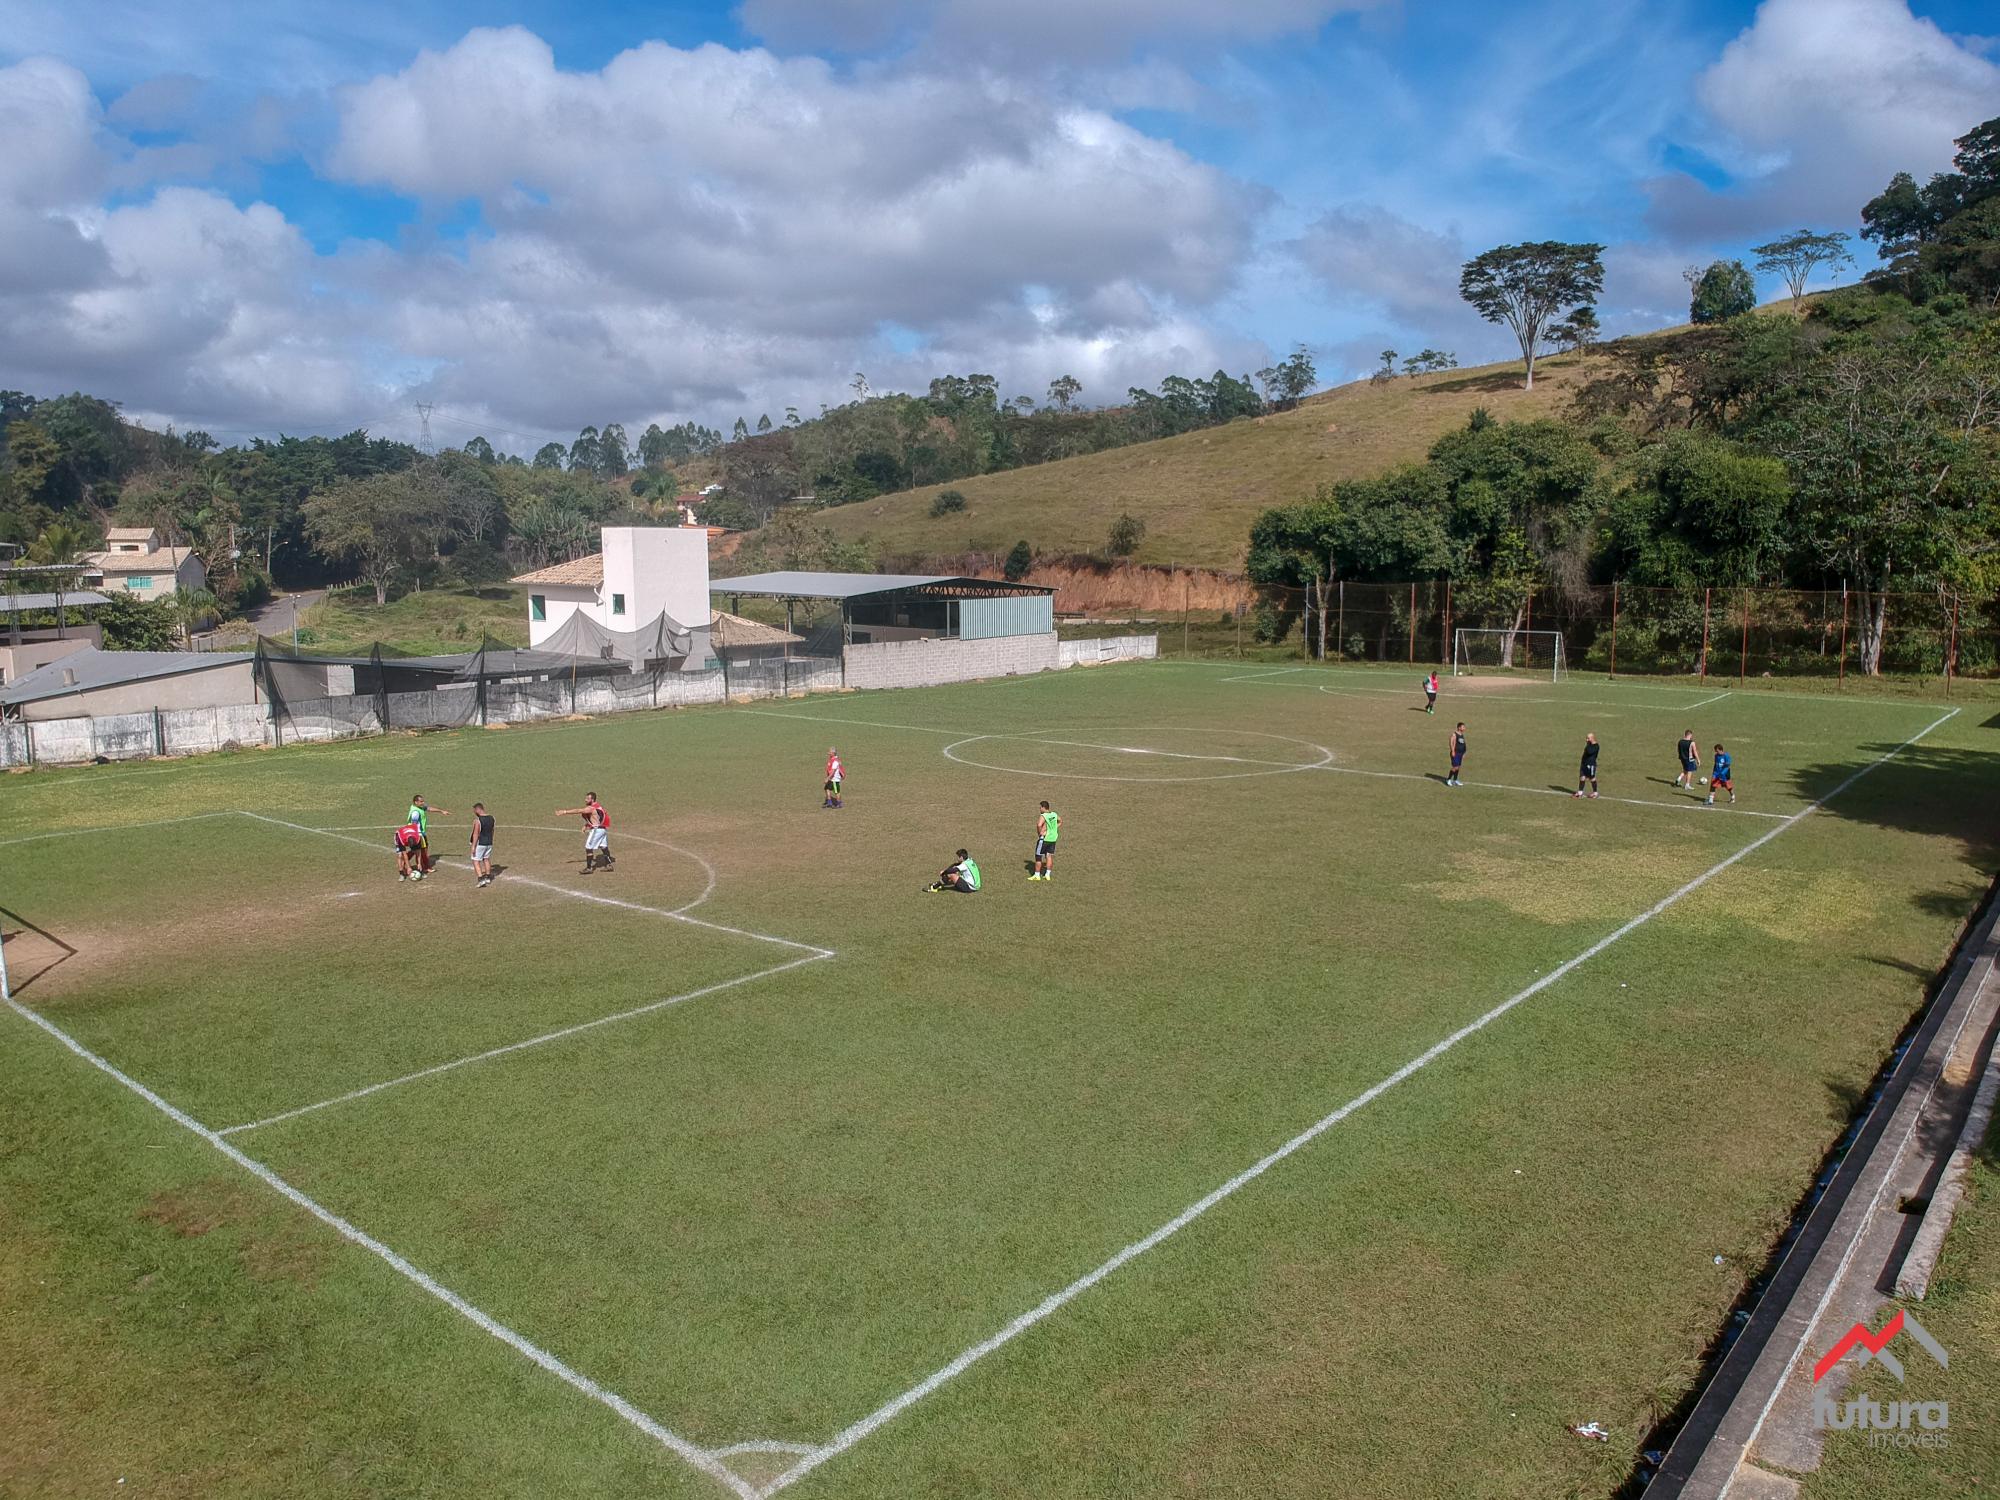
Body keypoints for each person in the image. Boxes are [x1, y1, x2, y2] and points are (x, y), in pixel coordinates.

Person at [555, 793, 613, 874]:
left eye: (587, 798)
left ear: (592, 800)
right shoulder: (598, 806)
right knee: (604, 847)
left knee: (588, 848)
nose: (585, 800)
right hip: (602, 829)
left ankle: (589, 868)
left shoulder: (591, 808)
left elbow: (579, 811)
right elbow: (597, 818)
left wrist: (564, 812)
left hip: (596, 830)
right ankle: (609, 865)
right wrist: (587, 825)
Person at [406, 794, 448, 875]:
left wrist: (441, 811)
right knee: (423, 851)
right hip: (418, 834)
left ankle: (405, 861)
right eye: (421, 801)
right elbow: (413, 825)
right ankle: (426, 867)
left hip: (419, 833)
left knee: (416, 850)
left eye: (423, 801)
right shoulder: (415, 812)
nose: (423, 802)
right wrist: (418, 835)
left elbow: (428, 808)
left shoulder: (418, 807)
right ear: (416, 802)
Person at [1031, 801, 1059, 881]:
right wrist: (1054, 829)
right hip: (1053, 839)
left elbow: (1039, 825)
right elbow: (1060, 821)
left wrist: (1040, 834)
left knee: (1038, 857)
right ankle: (1047, 875)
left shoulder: (1043, 816)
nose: (1040, 809)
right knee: (1049, 856)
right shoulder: (1054, 814)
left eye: (1040, 807)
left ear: (1043, 807)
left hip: (1044, 839)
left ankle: (1037, 875)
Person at [469, 802, 495, 887]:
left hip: (480, 844)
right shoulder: (492, 818)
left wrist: (473, 846)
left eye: (474, 811)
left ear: (478, 809)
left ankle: (481, 879)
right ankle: (488, 877)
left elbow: (476, 834)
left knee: (475, 861)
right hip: (489, 843)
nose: (474, 813)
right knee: (486, 859)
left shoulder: (478, 821)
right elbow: (492, 831)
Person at [1574, 732, 1600, 798]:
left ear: (1592, 738)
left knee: (1592, 778)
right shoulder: (1589, 744)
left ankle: (1595, 793)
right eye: (1586, 738)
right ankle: (1580, 793)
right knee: (1582, 777)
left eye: (1588, 738)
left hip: (1590, 765)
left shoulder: (1596, 746)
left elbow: (1589, 751)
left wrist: (1588, 745)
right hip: (1584, 764)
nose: (1586, 740)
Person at [1446, 722, 1467, 787]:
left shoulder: (1461, 735)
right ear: (1459, 727)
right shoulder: (1454, 734)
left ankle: (1455, 780)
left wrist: (1464, 752)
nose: (1464, 728)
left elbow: (1463, 744)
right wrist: (1452, 751)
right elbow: (1451, 742)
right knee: (1455, 767)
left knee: (1458, 767)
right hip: (1456, 753)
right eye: (1463, 727)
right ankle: (1448, 779)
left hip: (1460, 753)